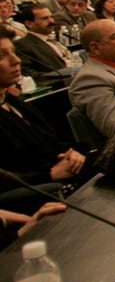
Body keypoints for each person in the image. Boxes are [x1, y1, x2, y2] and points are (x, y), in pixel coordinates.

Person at [0, 26, 85, 212]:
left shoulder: (13, 101)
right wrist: (49, 175)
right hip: (32, 197)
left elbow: (48, 144)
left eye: (13, 53)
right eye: (2, 56)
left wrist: (71, 153)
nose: (16, 61)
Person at [14, 4, 74, 79]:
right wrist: (58, 75)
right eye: (45, 18)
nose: (51, 21)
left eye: (51, 17)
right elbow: (28, 74)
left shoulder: (53, 40)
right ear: (29, 24)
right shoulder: (22, 45)